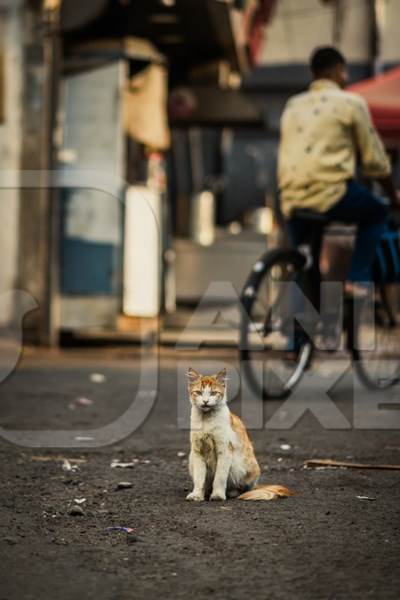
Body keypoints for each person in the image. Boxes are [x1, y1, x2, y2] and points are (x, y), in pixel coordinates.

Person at [278, 46, 399, 297]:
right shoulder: (351, 103)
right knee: (376, 212)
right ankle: (357, 279)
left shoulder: (293, 105)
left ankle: (299, 328)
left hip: (292, 198)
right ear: (337, 71)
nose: (346, 78)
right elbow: (375, 161)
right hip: (331, 193)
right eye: (344, 72)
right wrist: (393, 197)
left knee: (305, 260)